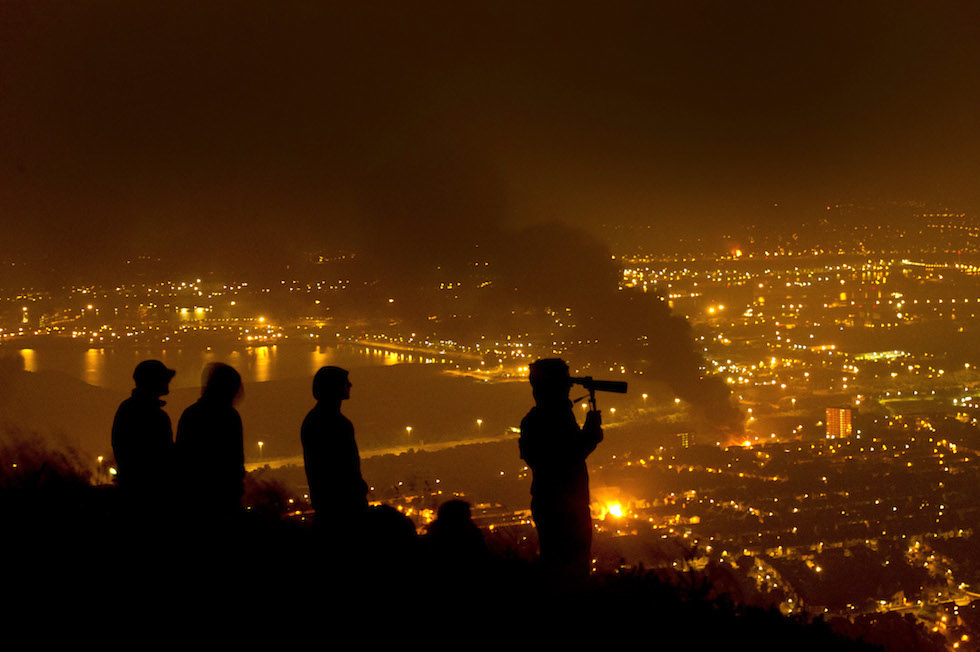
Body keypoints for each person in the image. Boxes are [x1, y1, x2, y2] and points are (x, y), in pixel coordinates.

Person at [519, 358, 602, 578]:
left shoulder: (537, 419)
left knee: (558, 565)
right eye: (565, 382)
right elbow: (564, 459)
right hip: (564, 507)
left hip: (554, 503)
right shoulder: (551, 418)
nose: (569, 387)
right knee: (570, 569)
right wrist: (590, 435)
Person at [301, 366, 368, 529]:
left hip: (326, 504)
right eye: (345, 382)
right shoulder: (337, 423)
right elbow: (347, 467)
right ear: (335, 387)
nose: (350, 385)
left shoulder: (313, 420)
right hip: (344, 506)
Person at [175, 363, 245, 519]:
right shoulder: (230, 417)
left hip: (194, 498)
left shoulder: (190, 414)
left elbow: (182, 458)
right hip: (224, 498)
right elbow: (235, 460)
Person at [111, 359, 176, 511]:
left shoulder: (127, 409)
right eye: (164, 379)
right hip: (151, 493)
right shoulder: (155, 415)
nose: (168, 383)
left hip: (132, 489)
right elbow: (163, 455)